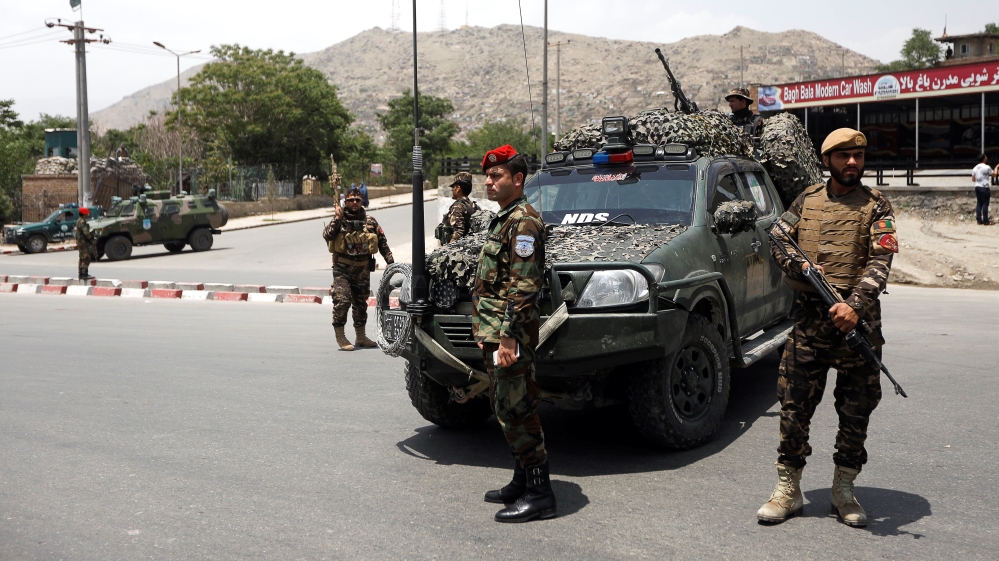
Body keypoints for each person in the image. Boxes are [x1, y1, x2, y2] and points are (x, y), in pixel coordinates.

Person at [759, 128, 898, 528]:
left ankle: (843, 490)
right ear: (827, 161)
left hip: (859, 330)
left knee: (855, 416)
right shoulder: (808, 199)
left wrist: (854, 307)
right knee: (793, 410)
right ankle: (788, 490)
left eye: (858, 155)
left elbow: (880, 261)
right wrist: (799, 266)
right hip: (810, 327)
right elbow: (779, 239)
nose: (852, 162)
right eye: (842, 156)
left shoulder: (876, 204)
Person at [472, 144, 556, 523]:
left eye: (497, 176)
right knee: (505, 404)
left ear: (518, 180)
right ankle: (522, 480)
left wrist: (507, 338)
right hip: (497, 330)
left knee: (516, 410)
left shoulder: (524, 222)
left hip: (512, 334)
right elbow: (494, 283)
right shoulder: (504, 218)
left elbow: (524, 286)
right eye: (487, 176)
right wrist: (485, 331)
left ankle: (540, 494)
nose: (488, 182)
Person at [322, 186, 394, 351]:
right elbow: (326, 236)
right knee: (343, 300)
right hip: (342, 269)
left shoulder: (370, 221)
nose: (354, 203)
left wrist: (390, 261)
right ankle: (340, 334)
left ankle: (360, 336)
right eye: (350, 200)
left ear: (362, 201)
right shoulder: (340, 219)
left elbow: (382, 242)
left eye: (357, 200)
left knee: (361, 303)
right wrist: (337, 218)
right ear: (345, 202)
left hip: (362, 269)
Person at [436, 171, 480, 245]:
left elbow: (458, 233)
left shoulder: (457, 206)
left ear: (458, 188)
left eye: (453, 187)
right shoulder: (474, 206)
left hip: (459, 250)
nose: (452, 190)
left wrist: (447, 249)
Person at [971, 153, 997, 225]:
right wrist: (997, 168)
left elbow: (973, 179)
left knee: (979, 203)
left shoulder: (975, 168)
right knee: (985, 204)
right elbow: (994, 174)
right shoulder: (987, 167)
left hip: (977, 187)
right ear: (984, 158)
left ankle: (979, 220)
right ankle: (986, 220)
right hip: (984, 187)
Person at [74, 207, 96, 280]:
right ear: (84, 214)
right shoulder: (82, 222)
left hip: (80, 242)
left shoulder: (79, 221)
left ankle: (81, 273)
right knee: (86, 257)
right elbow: (86, 232)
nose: (88, 214)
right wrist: (91, 239)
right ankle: (84, 274)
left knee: (82, 257)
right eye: (87, 213)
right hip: (83, 242)